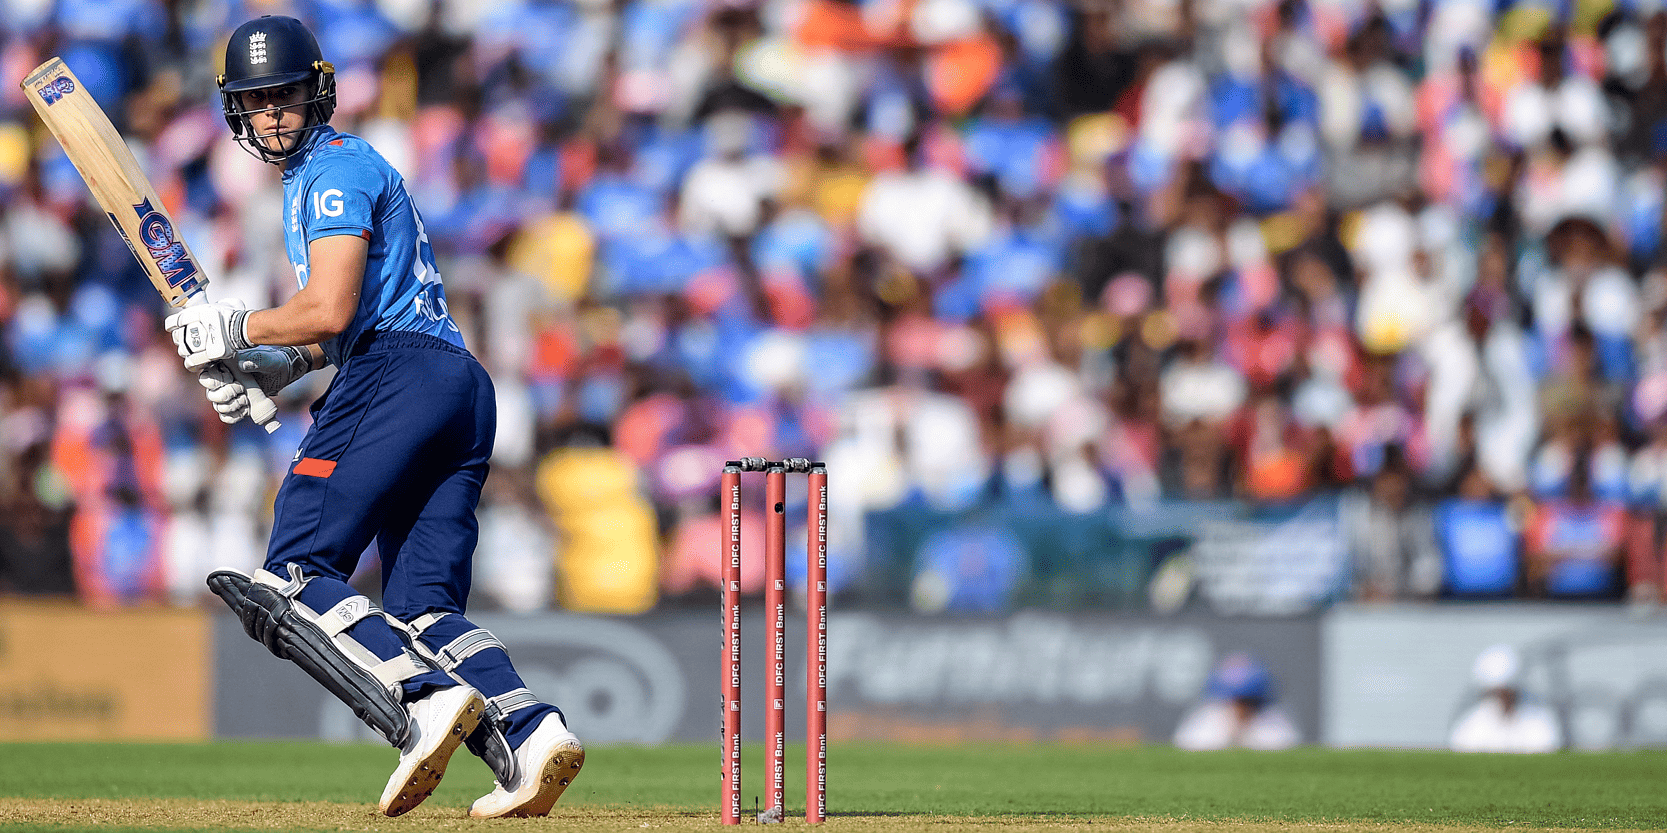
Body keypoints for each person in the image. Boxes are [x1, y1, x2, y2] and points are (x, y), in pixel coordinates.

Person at [163, 15, 583, 818]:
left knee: (293, 568)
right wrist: (278, 366)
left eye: (283, 94)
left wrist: (237, 327)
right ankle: (531, 734)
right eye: (257, 101)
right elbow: (342, 325)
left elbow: (330, 307)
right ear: (237, 112)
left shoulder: (331, 172)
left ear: (314, 92)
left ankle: (420, 702)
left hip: (399, 373)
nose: (273, 113)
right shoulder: (338, 173)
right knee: (425, 604)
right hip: (454, 383)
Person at [1172, 653, 1301, 750]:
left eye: (1247, 701)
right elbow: (1185, 743)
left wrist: (1245, 736)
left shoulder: (1272, 719)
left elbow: (1288, 744)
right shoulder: (1209, 716)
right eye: (1235, 701)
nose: (1241, 706)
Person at [1449, 644, 1562, 753]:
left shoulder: (1539, 719)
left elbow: (1548, 748)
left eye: (1505, 692)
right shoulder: (1474, 724)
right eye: (1496, 693)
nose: (1502, 698)